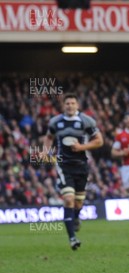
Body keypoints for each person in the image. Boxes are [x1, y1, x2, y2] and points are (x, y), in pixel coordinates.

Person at [41, 94, 104, 250]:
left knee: (79, 203)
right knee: (68, 199)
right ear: (64, 106)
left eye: (72, 103)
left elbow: (99, 141)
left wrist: (82, 147)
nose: (70, 105)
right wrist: (45, 151)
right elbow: (48, 137)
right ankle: (73, 239)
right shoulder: (55, 122)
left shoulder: (86, 121)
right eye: (67, 103)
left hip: (82, 166)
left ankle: (75, 218)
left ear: (77, 105)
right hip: (64, 165)